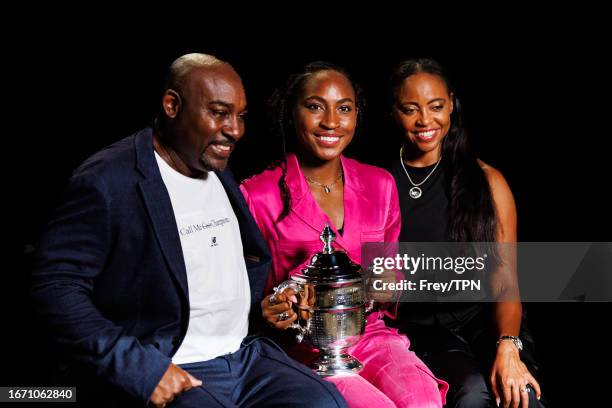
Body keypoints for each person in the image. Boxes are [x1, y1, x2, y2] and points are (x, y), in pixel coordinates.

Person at [31, 53, 347, 408]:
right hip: (173, 363)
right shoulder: (108, 180)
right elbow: (54, 287)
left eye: (240, 116)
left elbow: (214, 268)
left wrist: (265, 306)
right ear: (172, 105)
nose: (235, 130)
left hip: (245, 357)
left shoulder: (214, 165)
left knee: (325, 402)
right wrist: (141, 369)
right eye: (219, 113)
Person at [240, 61, 448, 408]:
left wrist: (387, 283)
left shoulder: (380, 184)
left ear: (356, 115)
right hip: (301, 347)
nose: (331, 122)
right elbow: (243, 298)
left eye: (344, 108)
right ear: (291, 112)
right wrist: (268, 309)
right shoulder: (257, 194)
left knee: (423, 400)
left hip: (371, 334)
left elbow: (388, 276)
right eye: (315, 106)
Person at [386, 58, 547, 408]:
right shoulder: (378, 182)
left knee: (522, 396)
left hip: (483, 320)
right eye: (410, 109)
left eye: (436, 106)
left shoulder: (487, 180)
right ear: (394, 112)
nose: (425, 120)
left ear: (452, 105)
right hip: (417, 329)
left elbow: (506, 280)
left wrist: (508, 344)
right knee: (473, 394)